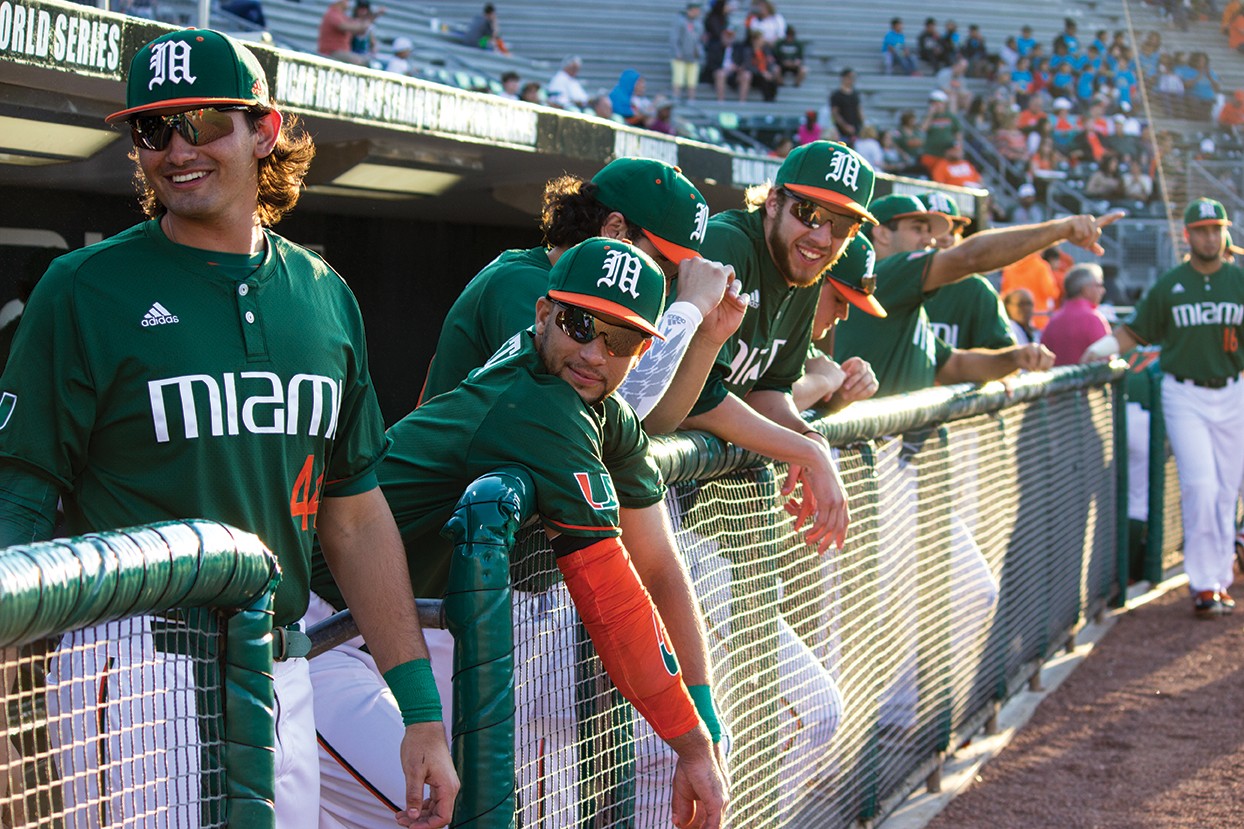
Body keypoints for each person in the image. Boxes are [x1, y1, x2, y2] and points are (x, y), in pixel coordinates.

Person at [0, 29, 457, 828]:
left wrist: (418, 707)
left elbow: (353, 513)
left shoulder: (323, 293)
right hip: (137, 670)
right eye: (153, 129)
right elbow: (20, 503)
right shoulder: (83, 288)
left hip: (284, 666)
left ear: (264, 129)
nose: (177, 148)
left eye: (204, 120)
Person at [1083, 198, 1244, 617]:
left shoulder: (1239, 281)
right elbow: (1134, 332)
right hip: (1183, 392)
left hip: (1232, 390)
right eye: (1203, 229)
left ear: (1224, 232)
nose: (1211, 236)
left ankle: (1218, 578)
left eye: (1217, 228)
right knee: (1201, 486)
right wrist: (1097, 349)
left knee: (1226, 491)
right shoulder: (1171, 284)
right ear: (1187, 235)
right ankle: (1204, 583)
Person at [921, 192, 1018, 352]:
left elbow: (1004, 356)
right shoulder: (892, 281)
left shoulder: (976, 289)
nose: (946, 238)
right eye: (936, 229)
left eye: (953, 231)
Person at [1040, 263, 1110, 366]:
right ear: (1085, 289)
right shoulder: (1093, 319)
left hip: (1057, 380)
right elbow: (1107, 360)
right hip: (1088, 381)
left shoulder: (1053, 321)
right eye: (1099, 285)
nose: (1103, 290)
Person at [1001, 247, 1062, 330]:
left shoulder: (1010, 267)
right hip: (1039, 318)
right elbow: (1050, 292)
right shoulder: (1041, 267)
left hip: (1015, 321)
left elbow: (1005, 294)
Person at [318, 0, 384, 66]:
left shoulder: (341, 15)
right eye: (347, 1)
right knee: (360, 61)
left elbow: (361, 29)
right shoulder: (333, 14)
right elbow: (357, 27)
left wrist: (372, 17)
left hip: (341, 51)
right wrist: (374, 16)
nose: (349, 3)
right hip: (331, 52)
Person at [670, 1, 705, 102]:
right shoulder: (680, 21)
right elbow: (674, 38)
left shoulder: (698, 23)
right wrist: (677, 51)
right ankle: (676, 98)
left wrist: (699, 51)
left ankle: (691, 99)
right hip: (680, 56)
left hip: (693, 56)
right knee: (678, 79)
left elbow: (699, 40)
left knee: (692, 81)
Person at [830, 68, 863, 146]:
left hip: (855, 128)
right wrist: (845, 126)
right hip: (841, 131)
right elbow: (835, 113)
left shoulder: (855, 94)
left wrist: (862, 123)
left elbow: (859, 109)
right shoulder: (837, 95)